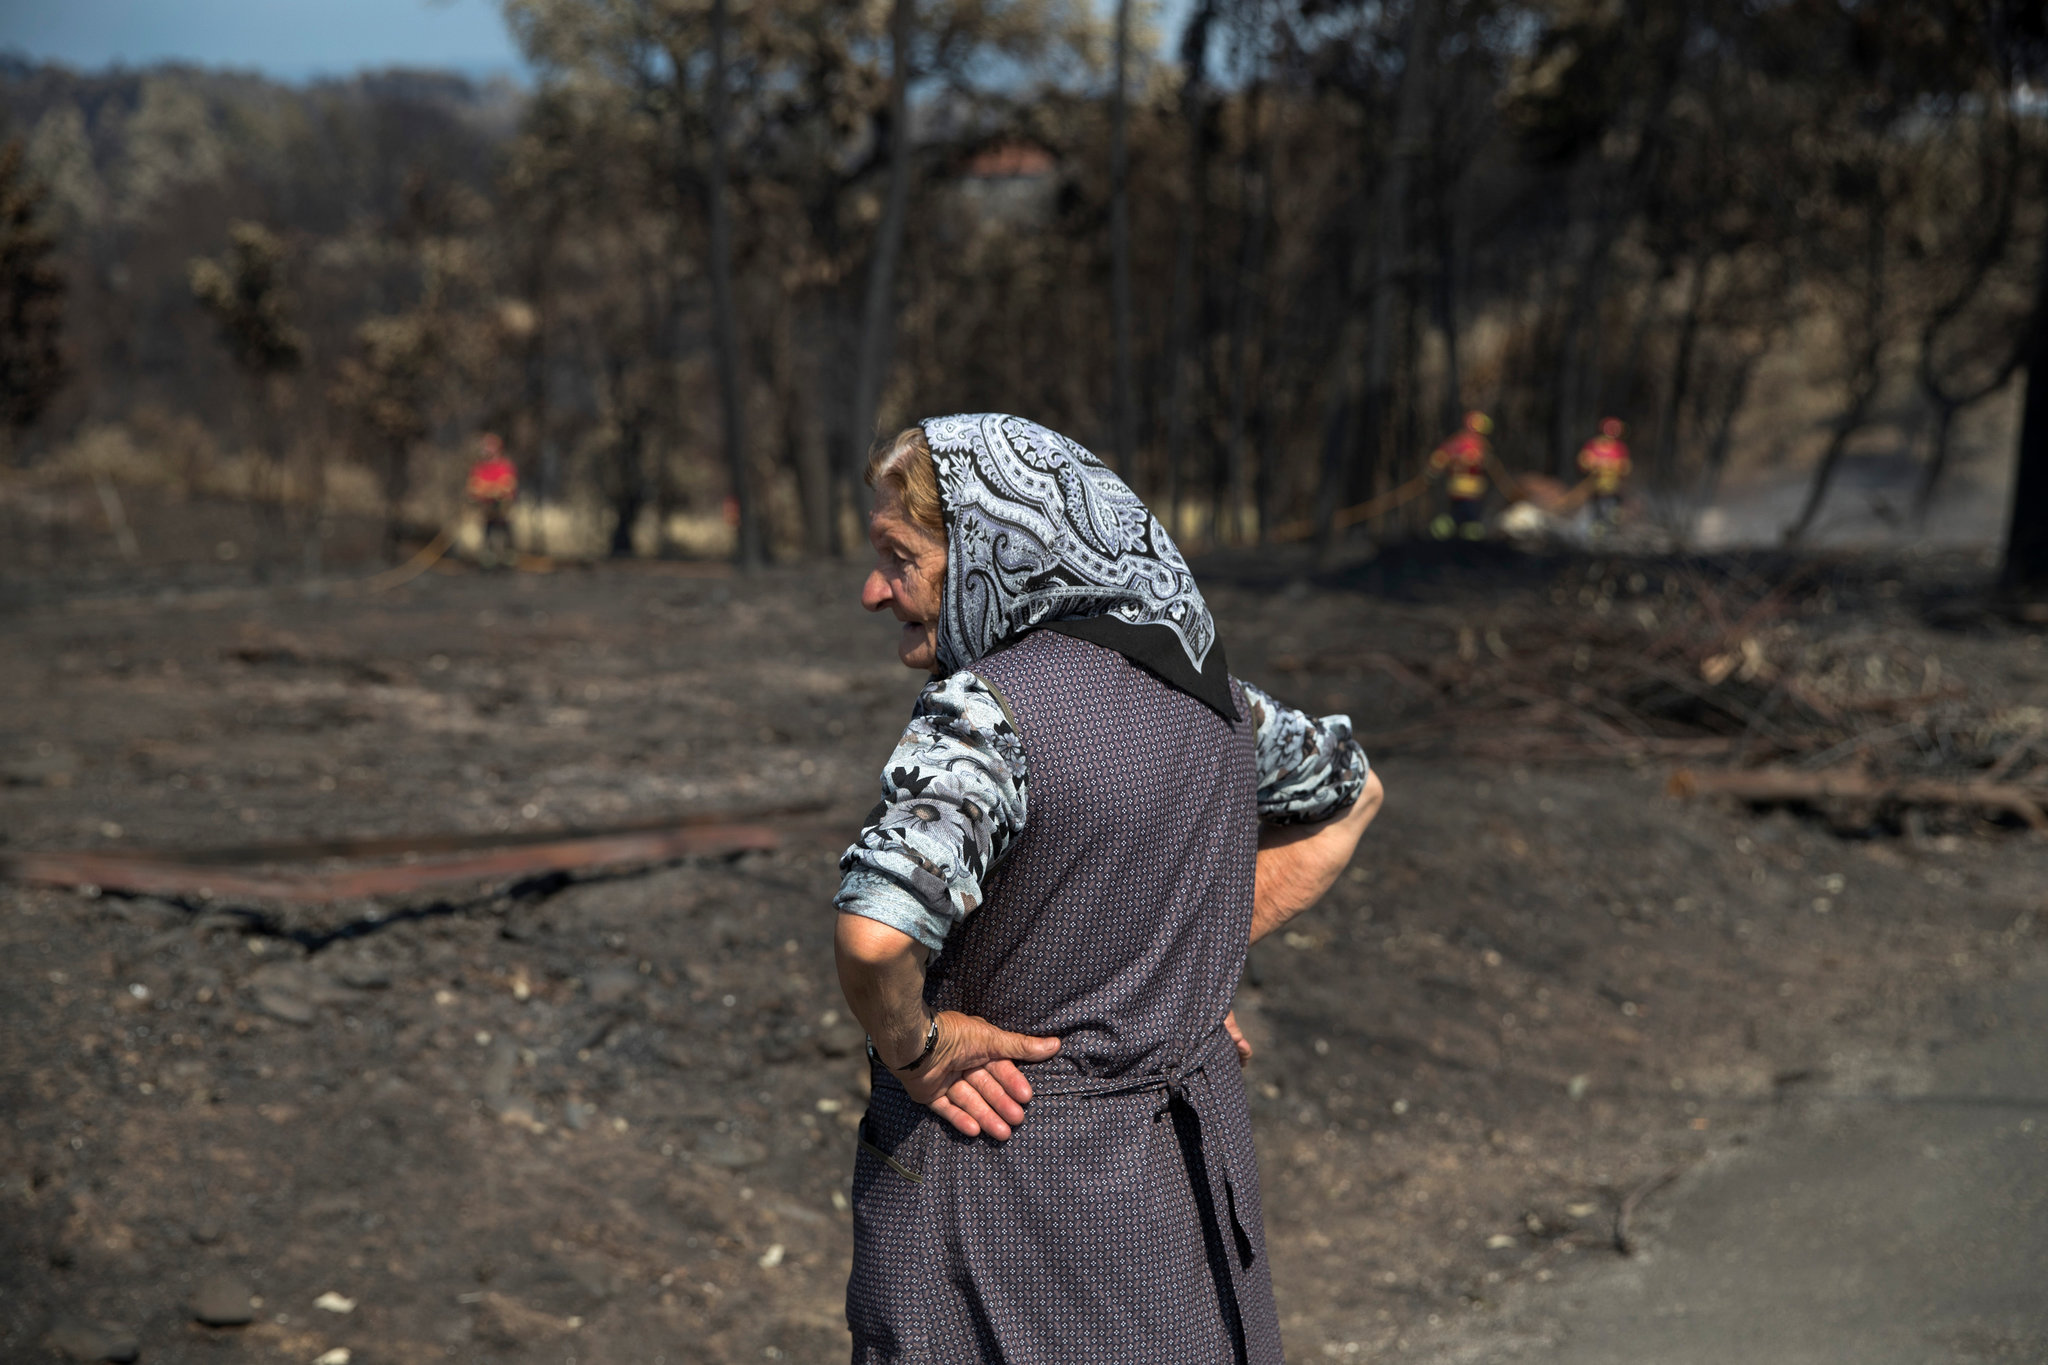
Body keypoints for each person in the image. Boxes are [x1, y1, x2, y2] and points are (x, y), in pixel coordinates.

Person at [835, 414, 1384, 1363]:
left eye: (901, 556)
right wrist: (1183, 963)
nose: (875, 591)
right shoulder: (1218, 699)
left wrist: (916, 1046)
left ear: (998, 548)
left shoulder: (986, 712)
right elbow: (1356, 791)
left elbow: (876, 934)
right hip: (1175, 1202)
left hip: (1002, 1194)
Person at [1429, 410, 1494, 540]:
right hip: (1464, 487)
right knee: (1467, 517)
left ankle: (1456, 538)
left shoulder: (1471, 443)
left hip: (1470, 488)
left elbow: (1441, 456)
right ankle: (1459, 537)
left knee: (1463, 514)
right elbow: (1442, 457)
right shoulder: (1466, 442)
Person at [466, 433, 518, 566]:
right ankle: (488, 559)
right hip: (487, 510)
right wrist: (494, 489)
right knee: (487, 536)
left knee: (505, 533)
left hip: (502, 510)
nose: (486, 449)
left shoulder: (504, 466)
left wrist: (487, 488)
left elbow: (507, 486)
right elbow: (474, 488)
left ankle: (508, 557)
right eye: (485, 446)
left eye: (489, 446)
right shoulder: (479, 468)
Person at [1577, 417, 1631, 534]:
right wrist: (1594, 464)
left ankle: (1612, 530)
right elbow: (1584, 460)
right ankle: (1596, 531)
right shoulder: (1594, 445)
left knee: (1613, 511)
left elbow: (1625, 466)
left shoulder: (1619, 448)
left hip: (1613, 487)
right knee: (1596, 510)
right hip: (1595, 486)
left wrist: (1612, 466)